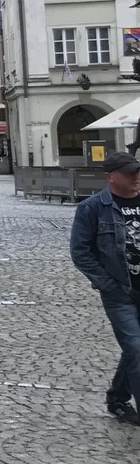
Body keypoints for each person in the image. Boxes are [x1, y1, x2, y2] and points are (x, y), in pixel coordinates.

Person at [70, 151, 140, 424]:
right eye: (129, 172)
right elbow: (80, 252)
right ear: (110, 177)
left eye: (137, 171)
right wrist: (108, 285)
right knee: (136, 347)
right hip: (120, 294)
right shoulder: (92, 208)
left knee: (135, 349)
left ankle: (117, 398)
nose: (136, 177)